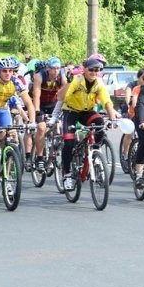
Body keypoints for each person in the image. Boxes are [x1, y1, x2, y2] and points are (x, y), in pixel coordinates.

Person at [49, 56, 120, 191]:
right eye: (91, 70)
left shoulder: (99, 83)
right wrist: (68, 85)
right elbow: (63, 97)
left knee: (100, 125)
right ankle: (67, 175)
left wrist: (113, 119)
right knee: (69, 143)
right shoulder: (77, 80)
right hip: (70, 111)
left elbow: (106, 101)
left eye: (97, 70)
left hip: (86, 112)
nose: (94, 72)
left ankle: (94, 154)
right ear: (85, 70)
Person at [0, 57, 36, 171]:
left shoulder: (16, 81)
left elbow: (29, 103)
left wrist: (32, 121)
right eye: (4, 71)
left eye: (10, 70)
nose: (8, 73)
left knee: (7, 134)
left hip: (3, 109)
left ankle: (2, 163)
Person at [32, 57, 66, 171]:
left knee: (62, 126)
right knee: (41, 127)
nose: (56, 71)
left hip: (54, 105)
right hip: (41, 104)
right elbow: (36, 95)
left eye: (58, 68)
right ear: (48, 68)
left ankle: (56, 148)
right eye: (53, 68)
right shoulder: (39, 76)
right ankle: (39, 158)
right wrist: (37, 111)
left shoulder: (62, 77)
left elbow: (65, 95)